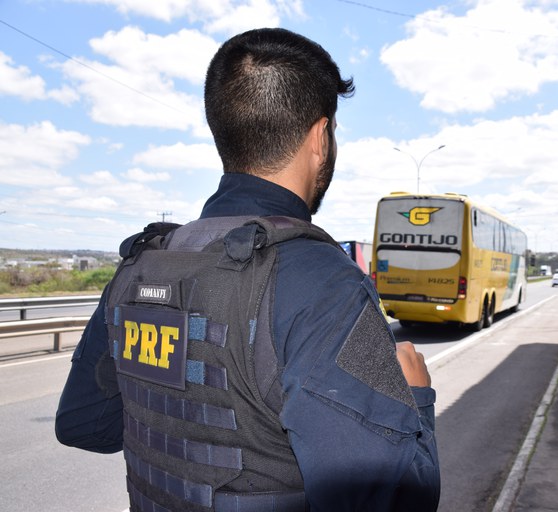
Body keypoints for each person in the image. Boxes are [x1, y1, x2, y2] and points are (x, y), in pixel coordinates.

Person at [56, 28, 440, 511]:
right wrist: (418, 400)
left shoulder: (140, 265)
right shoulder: (322, 282)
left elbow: (84, 425)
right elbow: (387, 501)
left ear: (225, 132)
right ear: (320, 138)